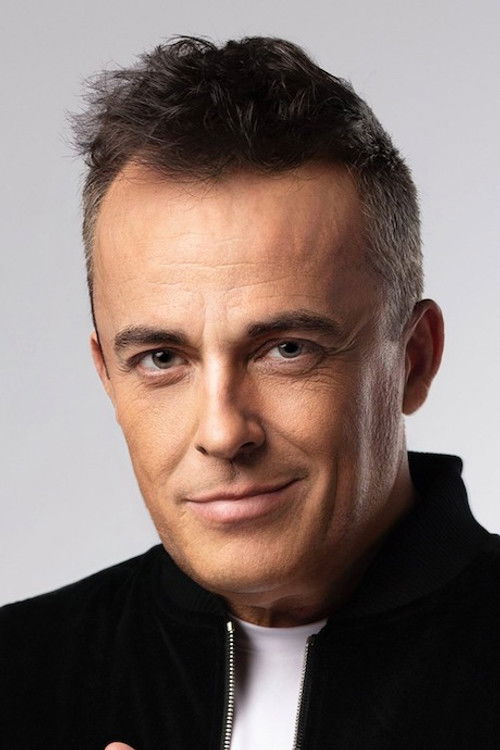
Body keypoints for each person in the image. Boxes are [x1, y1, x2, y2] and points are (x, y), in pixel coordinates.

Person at [1, 35, 499, 750]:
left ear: (413, 362)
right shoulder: (18, 675)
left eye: (287, 349)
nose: (223, 432)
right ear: (108, 377)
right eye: (161, 358)